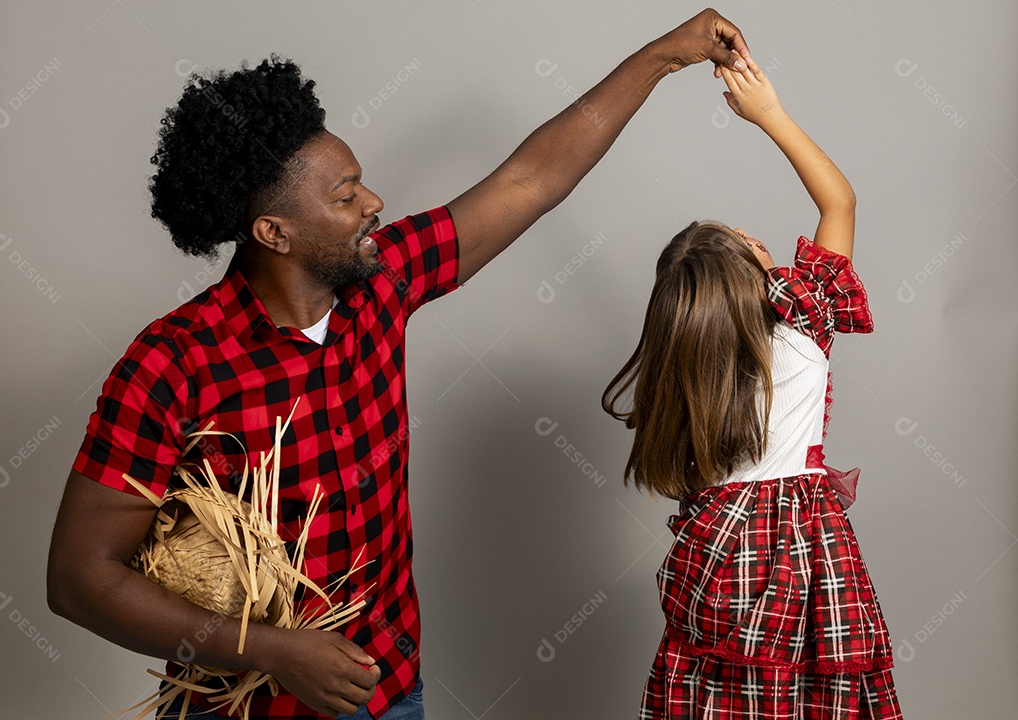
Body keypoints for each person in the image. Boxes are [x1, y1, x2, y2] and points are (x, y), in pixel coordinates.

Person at [47, 9, 752, 720]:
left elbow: (529, 181)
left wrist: (665, 55)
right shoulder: (173, 363)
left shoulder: (383, 281)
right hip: (239, 709)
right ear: (274, 232)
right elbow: (80, 578)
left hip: (389, 694)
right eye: (345, 195)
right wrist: (273, 651)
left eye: (363, 184)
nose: (373, 204)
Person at [602, 57, 902, 718]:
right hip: (801, 555)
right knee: (814, 684)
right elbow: (839, 201)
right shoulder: (801, 332)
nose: (756, 236)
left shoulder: (683, 365)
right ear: (750, 279)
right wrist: (769, 115)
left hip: (718, 551)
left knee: (719, 691)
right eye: (744, 240)